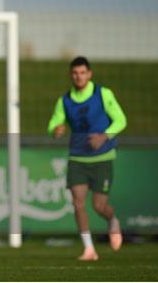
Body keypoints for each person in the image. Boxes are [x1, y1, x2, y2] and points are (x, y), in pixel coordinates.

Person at [47, 56, 127, 261]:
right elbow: (54, 125)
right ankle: (89, 249)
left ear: (89, 74)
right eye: (75, 73)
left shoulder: (103, 94)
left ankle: (113, 220)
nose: (79, 76)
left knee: (99, 206)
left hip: (102, 158)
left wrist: (104, 136)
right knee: (78, 202)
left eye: (83, 72)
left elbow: (121, 120)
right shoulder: (64, 100)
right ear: (70, 75)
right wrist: (56, 130)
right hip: (77, 159)